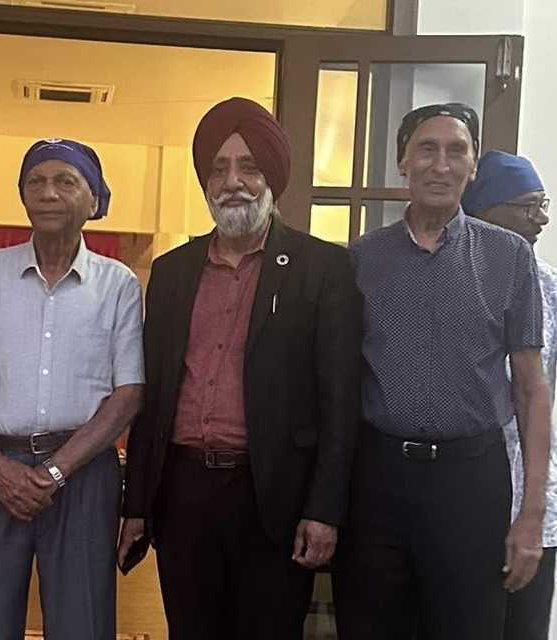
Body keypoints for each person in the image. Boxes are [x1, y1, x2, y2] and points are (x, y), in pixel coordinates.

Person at [117, 97, 363, 639]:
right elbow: (151, 399)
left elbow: (340, 402)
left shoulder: (323, 267)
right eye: (219, 169)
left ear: (272, 176)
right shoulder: (171, 272)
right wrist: (136, 503)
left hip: (274, 497)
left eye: (249, 167)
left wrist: (325, 509)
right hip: (183, 495)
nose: (233, 182)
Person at [333, 104, 551, 640]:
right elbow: (336, 383)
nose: (441, 164)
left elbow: (531, 389)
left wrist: (530, 516)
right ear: (403, 162)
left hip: (470, 482)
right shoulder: (362, 260)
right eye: (426, 149)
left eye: (457, 151)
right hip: (378, 478)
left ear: (472, 167)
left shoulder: (509, 257)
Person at [0, 138, 144, 640]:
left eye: (65, 181)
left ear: (93, 200)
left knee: (82, 623)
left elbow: (128, 394)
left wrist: (55, 470)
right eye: (36, 182)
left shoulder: (118, 284)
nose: (48, 193)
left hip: (83, 475)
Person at [461, 150, 557, 640]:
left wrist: (533, 508)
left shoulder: (549, 288)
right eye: (527, 206)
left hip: (530, 498)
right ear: (483, 212)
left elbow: (541, 393)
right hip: (458, 496)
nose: (541, 218)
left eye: (543, 204)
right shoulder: (453, 280)